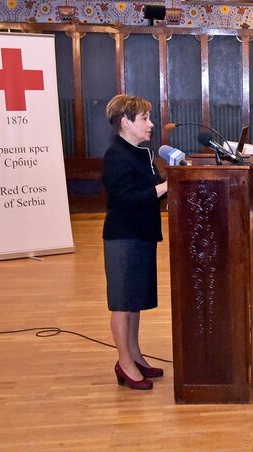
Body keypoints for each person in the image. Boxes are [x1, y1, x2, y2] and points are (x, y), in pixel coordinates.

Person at [102, 94, 168, 390]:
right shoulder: (116, 156)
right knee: (122, 303)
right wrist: (168, 185)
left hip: (141, 233)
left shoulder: (141, 152)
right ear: (126, 122)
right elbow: (126, 199)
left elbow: (151, 192)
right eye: (144, 118)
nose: (150, 124)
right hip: (123, 236)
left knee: (135, 302)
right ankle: (124, 363)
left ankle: (136, 356)